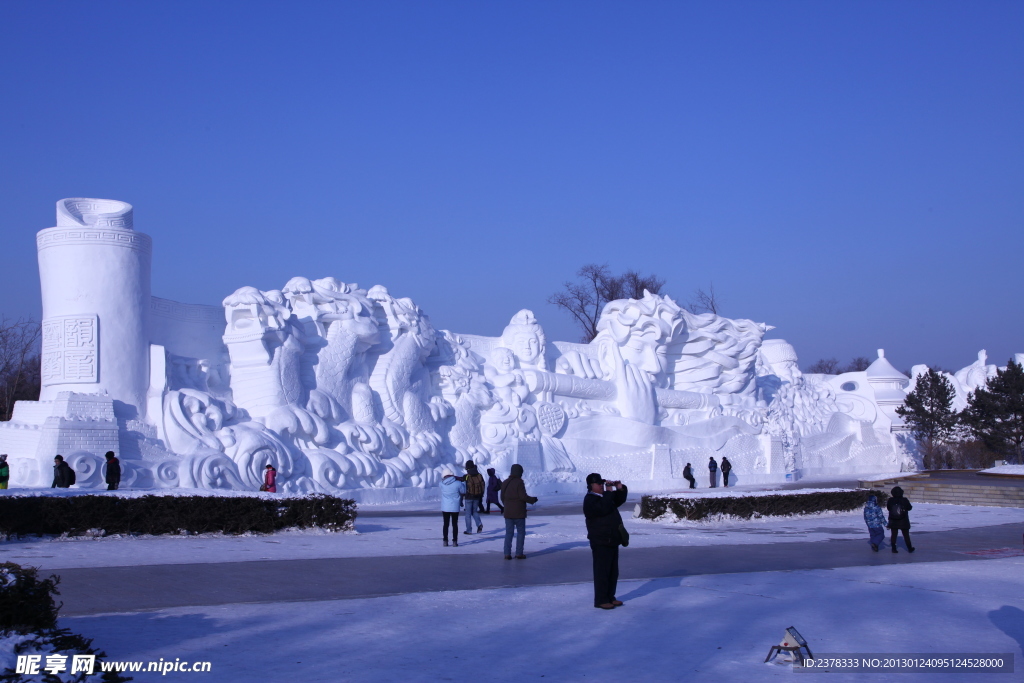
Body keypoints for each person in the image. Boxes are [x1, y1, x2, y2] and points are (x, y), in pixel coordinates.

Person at [584, 473, 628, 610]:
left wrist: (620, 488)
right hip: (600, 540)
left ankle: (610, 597)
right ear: (591, 486)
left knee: (613, 571)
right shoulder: (590, 499)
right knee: (602, 571)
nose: (602, 486)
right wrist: (609, 493)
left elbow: (619, 500)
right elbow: (602, 508)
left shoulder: (604, 497)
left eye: (602, 484)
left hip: (612, 539)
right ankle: (601, 599)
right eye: (599, 484)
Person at [500, 463, 537, 559]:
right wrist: (532, 500)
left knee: (509, 533)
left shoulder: (505, 482)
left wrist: (507, 505)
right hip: (519, 513)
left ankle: (507, 553)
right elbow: (523, 496)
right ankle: (518, 553)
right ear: (519, 472)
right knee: (520, 533)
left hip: (508, 513)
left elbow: (502, 497)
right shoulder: (519, 482)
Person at [441, 469, 466, 547]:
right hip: (455, 507)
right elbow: (464, 491)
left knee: (446, 524)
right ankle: (455, 541)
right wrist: (458, 480)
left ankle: (445, 540)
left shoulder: (441, 484)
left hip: (445, 507)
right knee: (454, 524)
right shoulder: (458, 483)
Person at [886, 486, 915, 553]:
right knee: (906, 535)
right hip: (903, 520)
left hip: (893, 520)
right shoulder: (904, 500)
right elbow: (909, 508)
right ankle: (909, 548)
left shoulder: (890, 500)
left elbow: (888, 508)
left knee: (894, 535)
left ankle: (893, 548)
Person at [463, 460, 484, 534]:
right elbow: (482, 485)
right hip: (477, 496)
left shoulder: (467, 476)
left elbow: (462, 480)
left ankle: (469, 530)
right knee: (475, 511)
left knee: (468, 514)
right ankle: (479, 524)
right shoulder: (479, 475)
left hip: (469, 496)